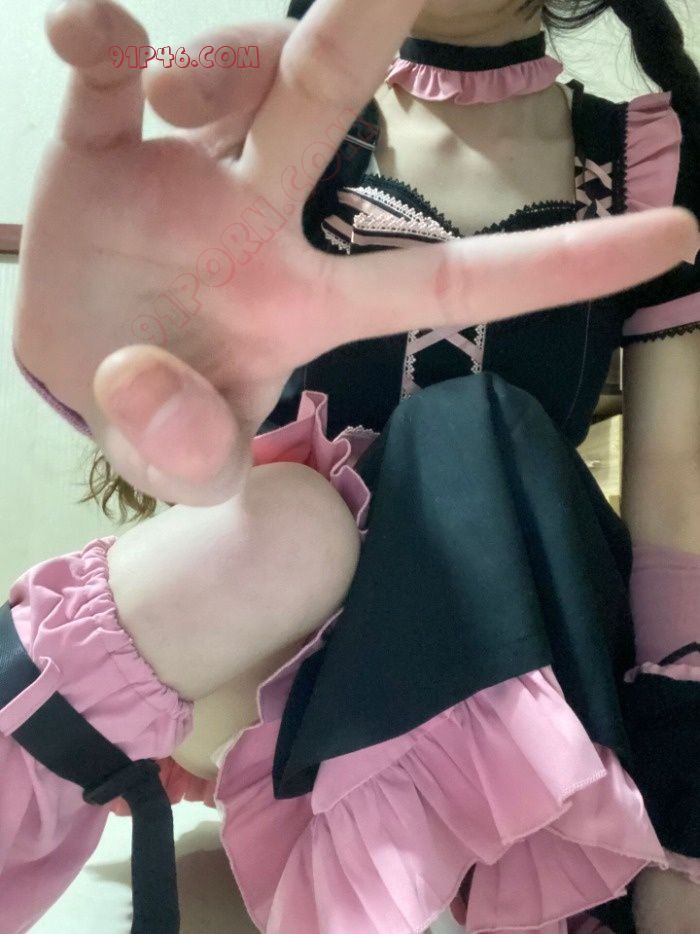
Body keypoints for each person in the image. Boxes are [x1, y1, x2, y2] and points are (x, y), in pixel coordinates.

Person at [2, 1, 698, 933]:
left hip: (530, 645)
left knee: (466, 426)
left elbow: (677, 491)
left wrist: (682, 775)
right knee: (294, 521)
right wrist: (119, 369)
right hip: (284, 652)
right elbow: (196, 469)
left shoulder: (645, 161)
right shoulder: (289, 128)